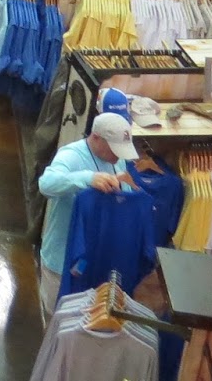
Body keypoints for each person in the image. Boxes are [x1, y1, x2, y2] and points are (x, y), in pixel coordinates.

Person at [36, 113, 138, 319]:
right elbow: (46, 184)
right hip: (61, 261)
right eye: (114, 149)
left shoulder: (118, 162)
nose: (119, 157)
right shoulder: (71, 155)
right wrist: (87, 179)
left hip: (96, 262)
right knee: (58, 322)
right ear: (97, 137)